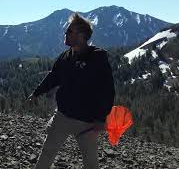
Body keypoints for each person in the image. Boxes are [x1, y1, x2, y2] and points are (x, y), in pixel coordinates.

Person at [27, 12, 115, 169]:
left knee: (91, 162)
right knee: (47, 152)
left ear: (81, 35)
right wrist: (36, 93)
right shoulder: (65, 57)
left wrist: (101, 118)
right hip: (62, 116)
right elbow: (53, 77)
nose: (65, 34)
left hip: (87, 122)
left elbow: (107, 90)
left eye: (69, 31)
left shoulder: (97, 58)